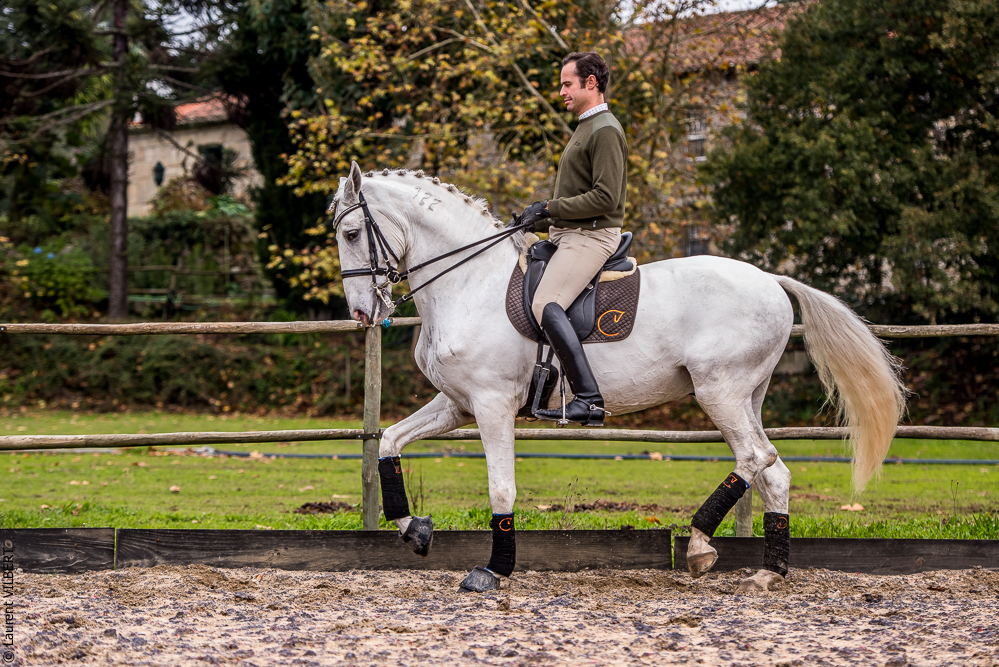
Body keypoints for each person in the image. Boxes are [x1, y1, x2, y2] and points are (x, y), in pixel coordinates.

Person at [519, 51, 628, 427]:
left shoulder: (605, 130)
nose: (561, 91)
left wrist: (550, 207)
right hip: (568, 234)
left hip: (591, 237)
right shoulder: (585, 126)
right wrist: (536, 217)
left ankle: (589, 399)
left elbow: (606, 198)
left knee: (545, 302)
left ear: (591, 83)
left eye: (567, 84)